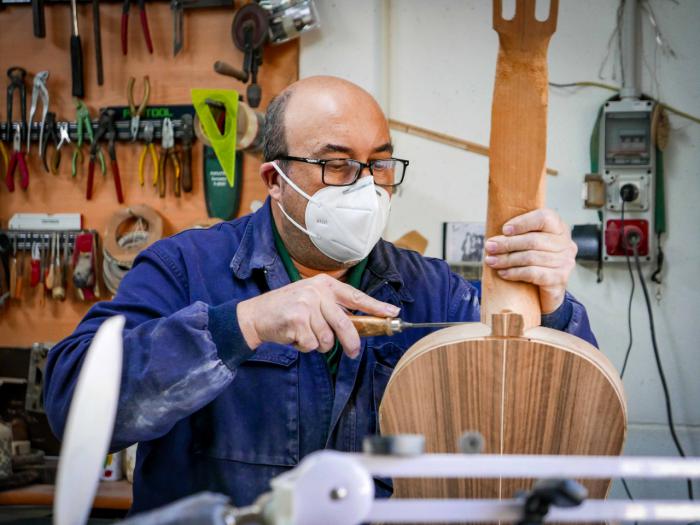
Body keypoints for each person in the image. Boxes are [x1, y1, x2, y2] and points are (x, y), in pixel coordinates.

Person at [44, 76, 594, 515]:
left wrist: (551, 304)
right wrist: (241, 325)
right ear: (274, 179)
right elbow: (71, 401)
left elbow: (562, 409)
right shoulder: (184, 268)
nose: (366, 186)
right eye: (336, 164)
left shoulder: (431, 290)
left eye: (379, 163)